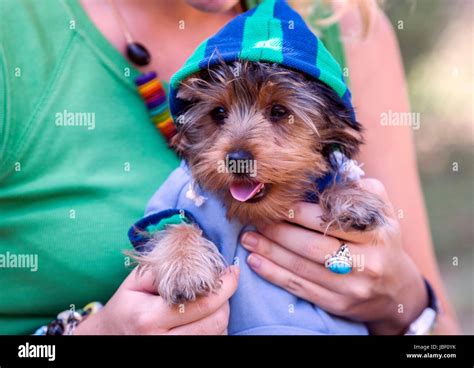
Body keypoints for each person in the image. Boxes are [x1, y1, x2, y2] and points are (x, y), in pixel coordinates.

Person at [0, 0, 459, 335]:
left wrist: (403, 303)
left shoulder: (346, 27)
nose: (238, 151)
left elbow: (445, 341)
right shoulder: (15, 35)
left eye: (280, 114)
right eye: (217, 115)